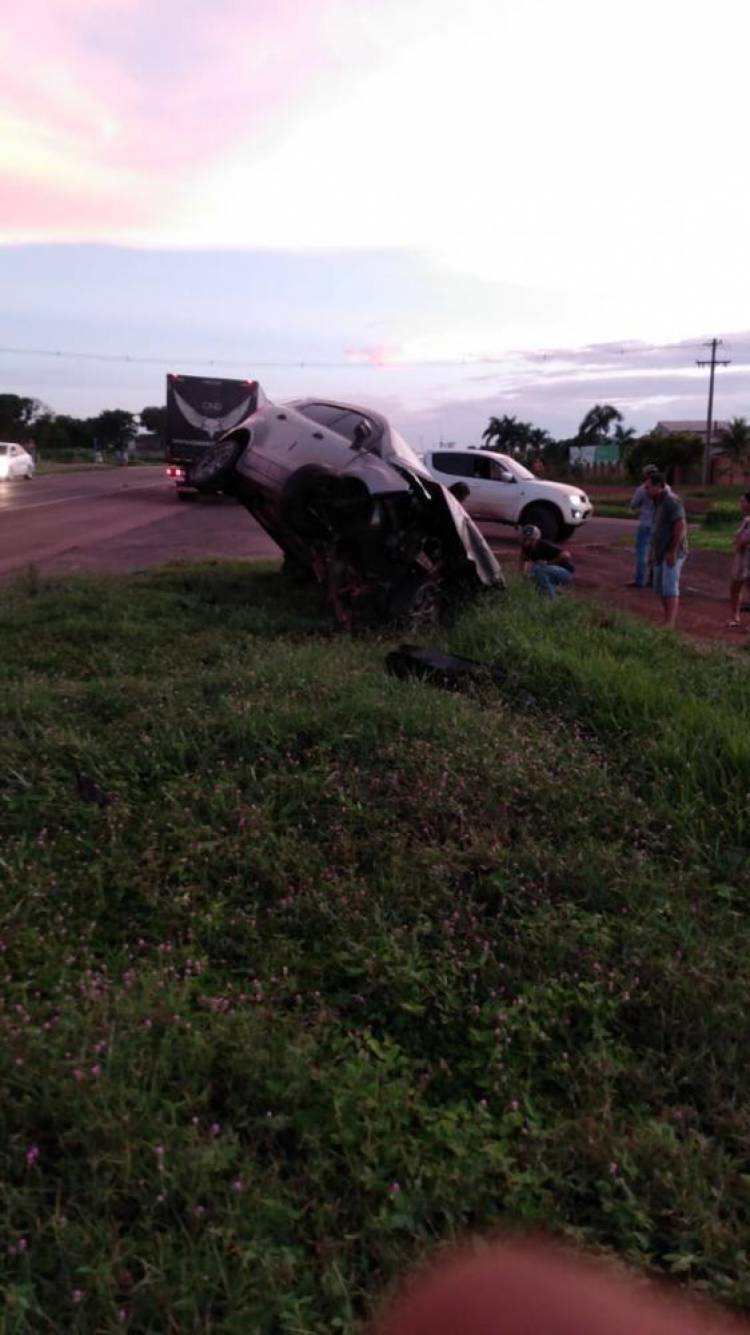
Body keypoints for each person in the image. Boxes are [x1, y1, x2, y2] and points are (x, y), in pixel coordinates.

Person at [644, 471, 687, 628]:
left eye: (648, 488)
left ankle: (670, 622)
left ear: (659, 486)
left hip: (672, 552)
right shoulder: (658, 502)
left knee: (669, 586)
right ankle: (667, 619)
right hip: (661, 551)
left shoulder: (671, 501)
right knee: (660, 587)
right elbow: (657, 529)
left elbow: (680, 526)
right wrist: (653, 553)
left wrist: (673, 551)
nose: (646, 491)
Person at [519, 524, 574, 599]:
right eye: (524, 537)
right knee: (532, 576)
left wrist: (548, 563)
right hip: (551, 572)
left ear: (534, 539)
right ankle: (556, 594)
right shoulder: (526, 548)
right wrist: (523, 576)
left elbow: (566, 555)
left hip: (565, 572)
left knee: (539, 569)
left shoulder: (543, 545)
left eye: (527, 538)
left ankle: (551, 600)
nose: (524, 540)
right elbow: (523, 560)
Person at [627, 463, 659, 587]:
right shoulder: (666, 487)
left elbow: (633, 505)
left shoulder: (641, 489)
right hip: (659, 524)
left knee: (641, 553)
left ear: (645, 475)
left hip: (645, 523)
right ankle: (654, 580)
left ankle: (639, 580)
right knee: (656, 553)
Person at [727, 491, 750, 629]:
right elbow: (737, 540)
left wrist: (740, 542)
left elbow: (741, 540)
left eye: (743, 501)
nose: (741, 504)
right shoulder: (746, 521)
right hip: (742, 556)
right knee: (734, 587)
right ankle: (735, 617)